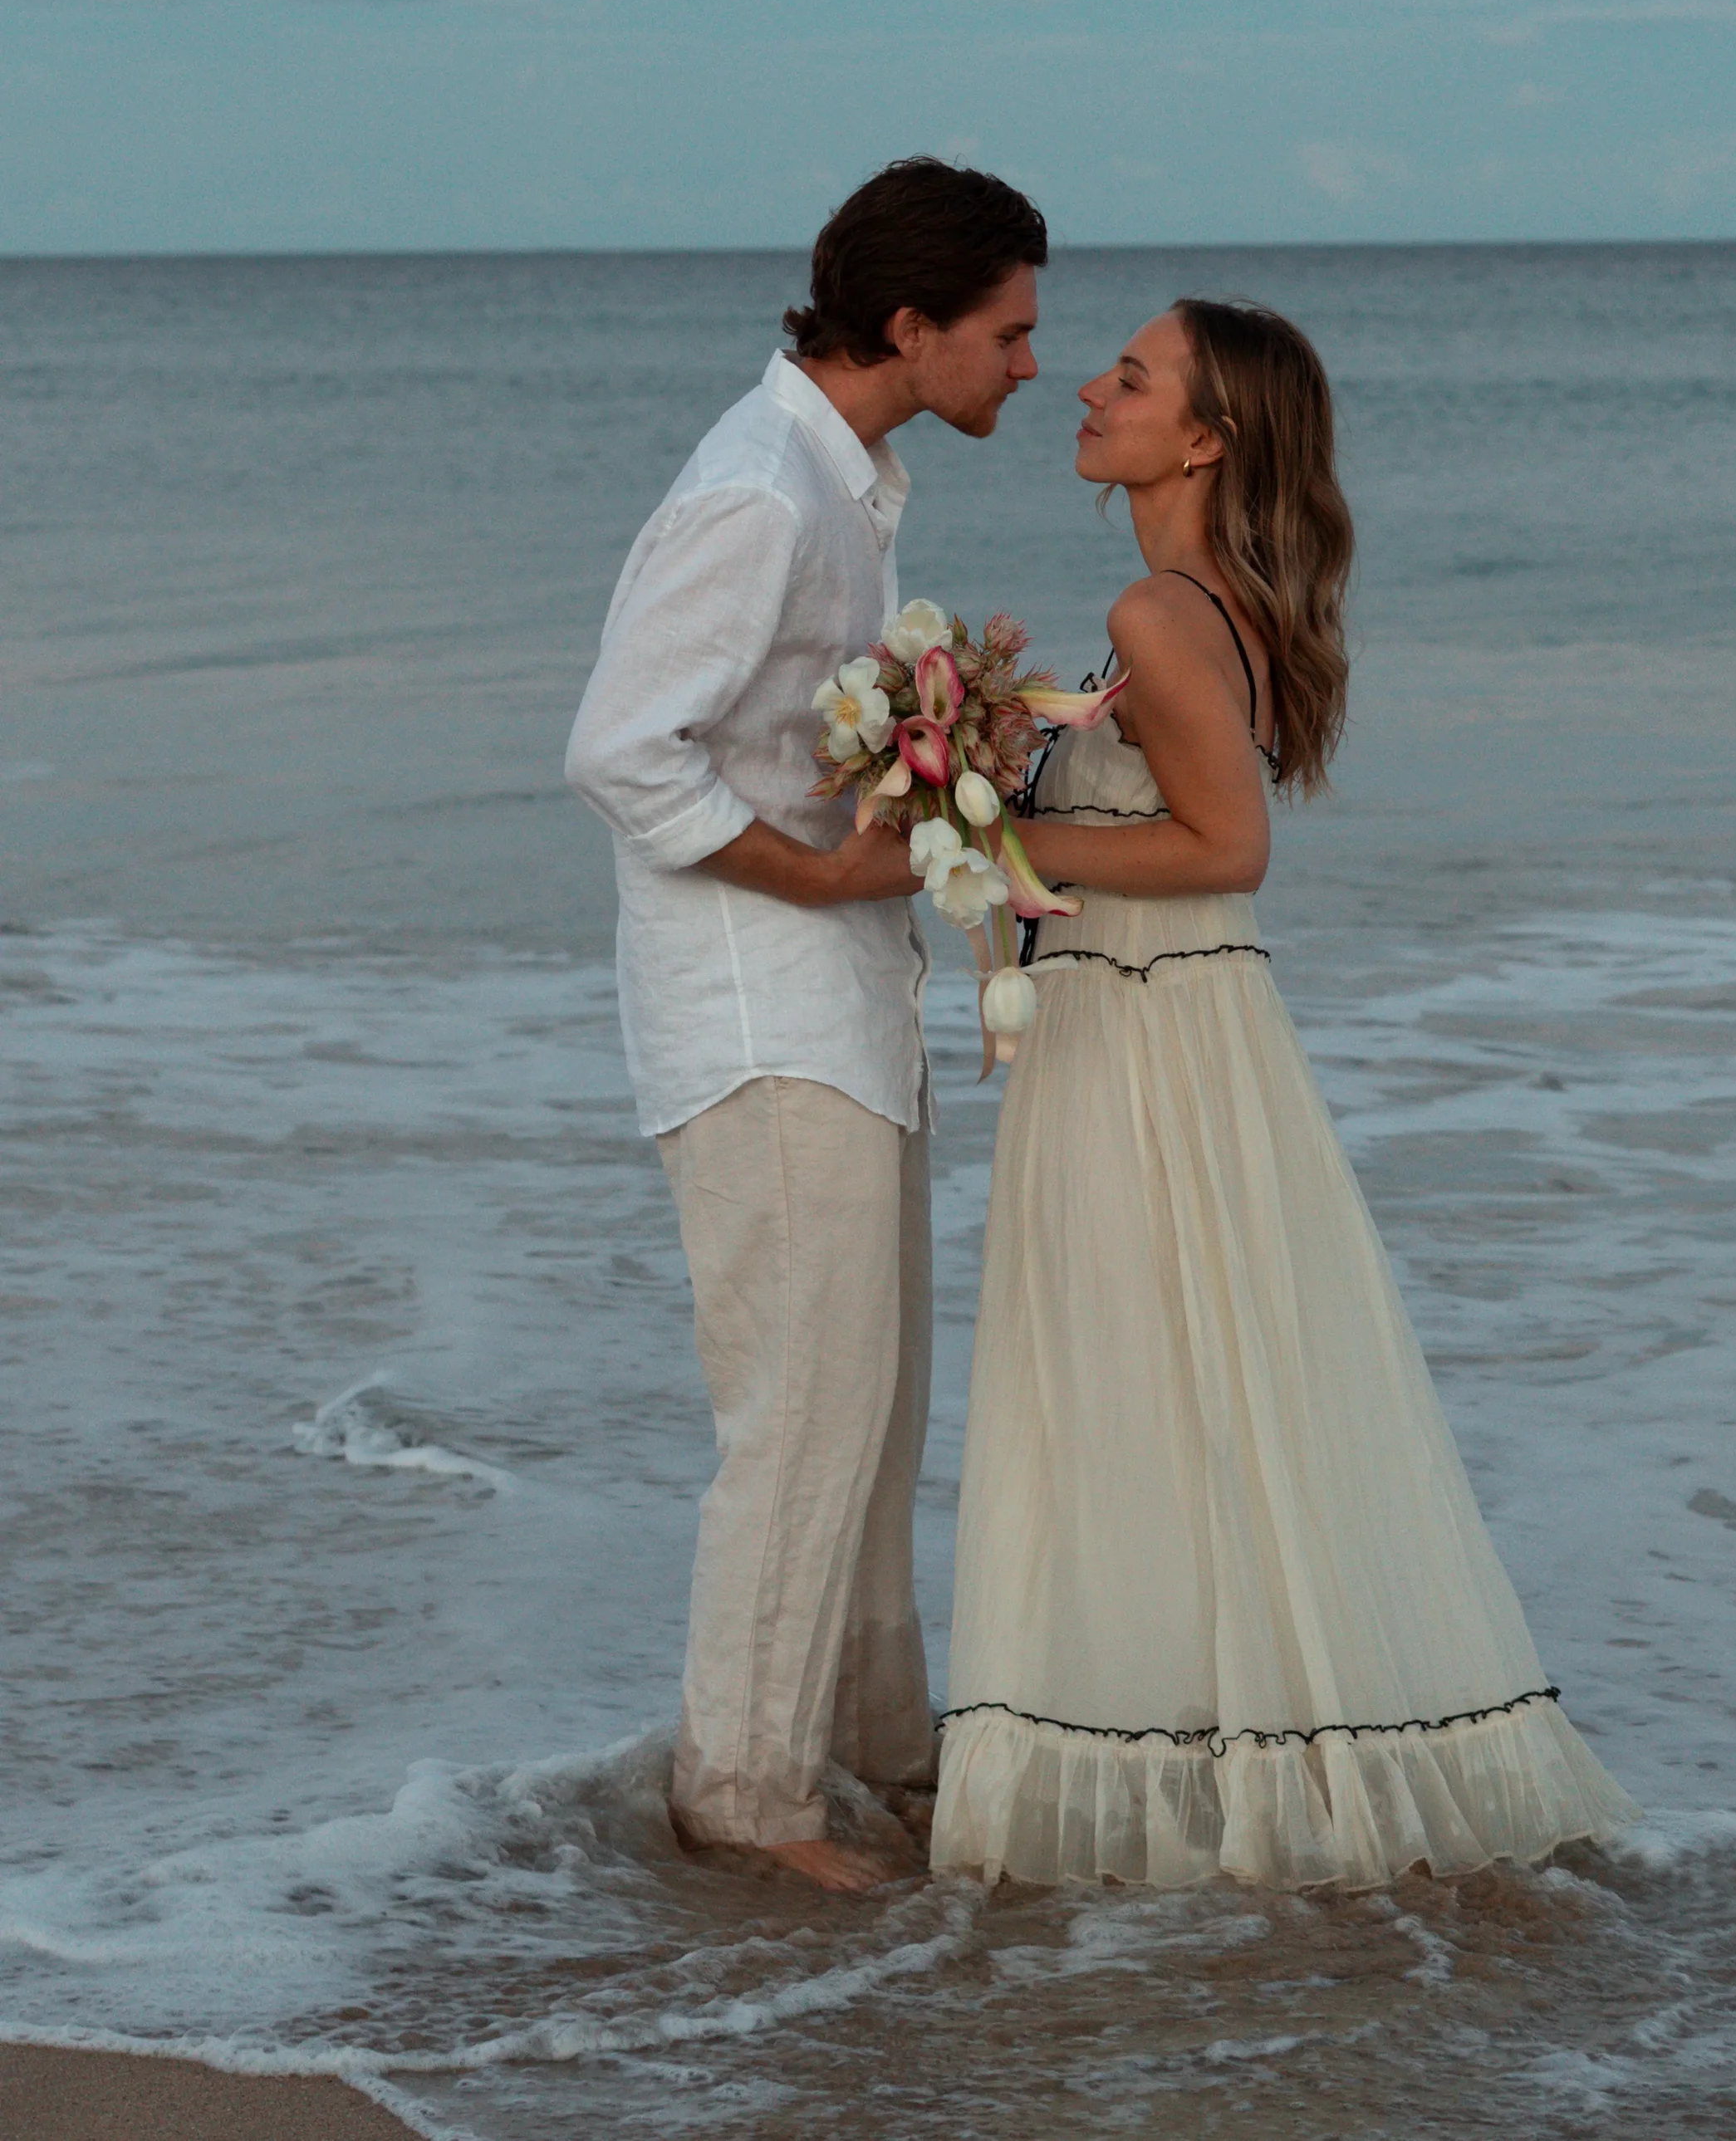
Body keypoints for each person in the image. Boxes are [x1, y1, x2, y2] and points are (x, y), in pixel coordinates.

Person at [932, 298, 1635, 1889]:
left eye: (1129, 376)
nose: (1087, 391)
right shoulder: (1196, 607)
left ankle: (1172, 1786)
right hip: (1166, 1032)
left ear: (1205, 437)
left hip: (1152, 1045)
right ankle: (1223, 1770)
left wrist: (1004, 844)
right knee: (1196, 1394)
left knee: (1131, 1386)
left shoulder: (1164, 609)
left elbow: (1225, 851)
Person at [566, 158, 1047, 1894]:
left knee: (873, 1410)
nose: (1030, 364)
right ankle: (747, 1792)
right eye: (1008, 332)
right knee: (803, 1414)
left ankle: (874, 1750)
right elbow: (619, 747)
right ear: (908, 326)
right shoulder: (761, 490)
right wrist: (817, 879)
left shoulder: (846, 479)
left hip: (840, 1016)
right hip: (761, 1022)